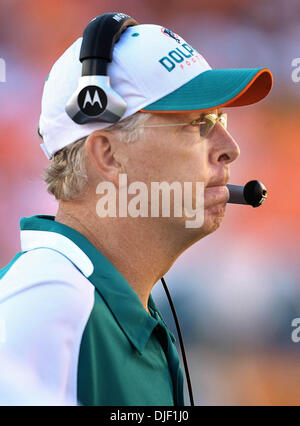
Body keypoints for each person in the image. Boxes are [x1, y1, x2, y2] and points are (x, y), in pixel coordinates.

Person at [0, 13, 273, 406]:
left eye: (220, 118)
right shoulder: (46, 304)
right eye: (198, 123)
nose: (231, 146)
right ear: (108, 155)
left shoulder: (108, 304)